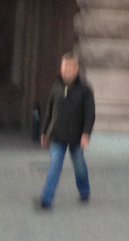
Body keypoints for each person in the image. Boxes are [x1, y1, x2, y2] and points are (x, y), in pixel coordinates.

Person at [37, 53, 95, 210]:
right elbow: (50, 111)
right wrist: (44, 132)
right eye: (64, 67)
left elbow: (90, 114)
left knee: (79, 167)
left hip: (76, 137)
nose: (67, 70)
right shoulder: (56, 87)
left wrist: (86, 134)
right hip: (57, 135)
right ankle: (46, 199)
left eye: (70, 67)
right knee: (55, 166)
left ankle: (84, 190)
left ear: (76, 69)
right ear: (61, 68)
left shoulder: (85, 90)